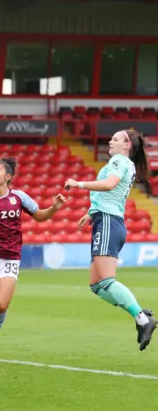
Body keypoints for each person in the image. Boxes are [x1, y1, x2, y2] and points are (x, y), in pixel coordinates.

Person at [0, 158, 66, 365]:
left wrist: (54, 207)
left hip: (10, 258)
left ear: (8, 176)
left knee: (0, 305)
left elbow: (39, 216)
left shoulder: (19, 197)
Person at [65, 128, 157, 351]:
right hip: (105, 220)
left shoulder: (119, 160)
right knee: (96, 285)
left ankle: (142, 319)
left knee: (105, 279)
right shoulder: (125, 163)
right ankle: (139, 313)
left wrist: (78, 184)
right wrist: (91, 213)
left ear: (127, 145)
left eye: (116, 139)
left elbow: (109, 185)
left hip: (108, 222)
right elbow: (110, 194)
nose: (110, 141)